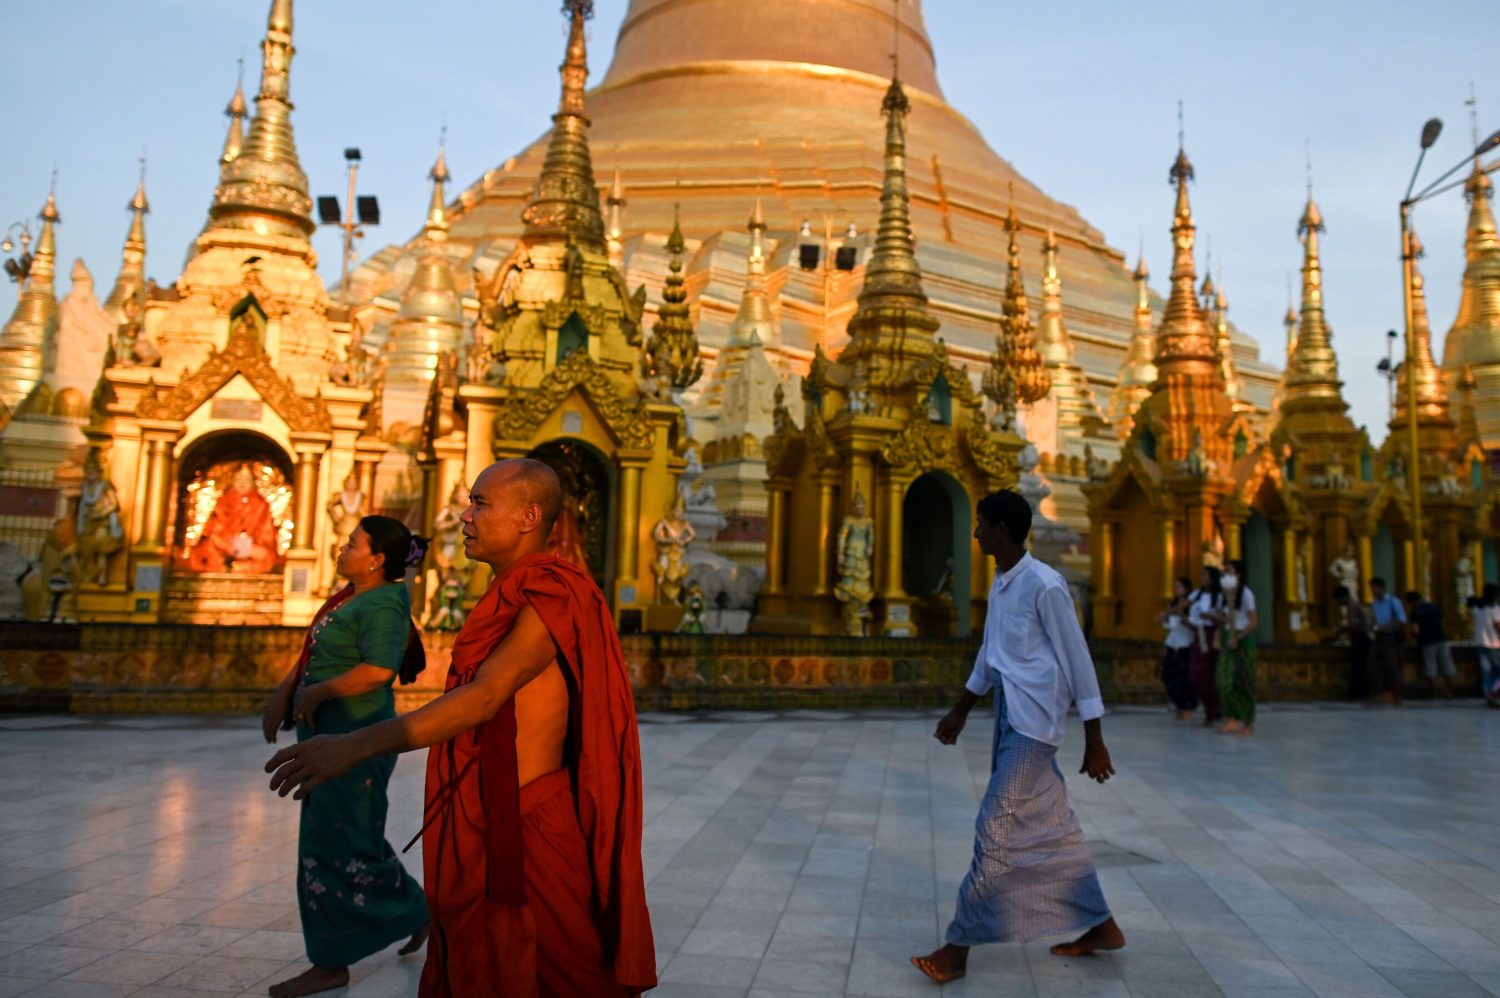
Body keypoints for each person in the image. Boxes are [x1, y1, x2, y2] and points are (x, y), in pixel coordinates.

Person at [266, 458, 655, 997]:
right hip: (486, 815)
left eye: (480, 503)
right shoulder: (509, 589)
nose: (465, 516)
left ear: (528, 517)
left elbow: (485, 696)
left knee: (559, 973)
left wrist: (353, 746)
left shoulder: (554, 590)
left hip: (528, 823)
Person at [911, 490, 1123, 985]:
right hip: (1010, 714)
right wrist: (961, 710)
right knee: (1054, 826)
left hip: (1035, 726)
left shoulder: (1045, 585)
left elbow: (1078, 660)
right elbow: (992, 655)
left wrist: (1094, 738)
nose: (976, 533)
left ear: (1002, 530)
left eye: (982, 524)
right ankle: (1101, 925)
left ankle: (958, 948)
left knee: (996, 827)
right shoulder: (1003, 582)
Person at [260, 516, 431, 998]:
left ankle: (330, 962)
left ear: (376, 559)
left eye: (353, 543)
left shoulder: (385, 603)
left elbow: (378, 670)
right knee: (348, 836)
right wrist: (287, 692)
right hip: (329, 733)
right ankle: (416, 911)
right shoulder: (350, 598)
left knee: (333, 841)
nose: (342, 546)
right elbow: (317, 654)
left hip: (356, 737)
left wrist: (317, 694)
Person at [186, 464, 279, 574]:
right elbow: (215, 531)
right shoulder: (223, 502)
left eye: (246, 480)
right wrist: (231, 545)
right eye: (239, 479)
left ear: (253, 482)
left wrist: (247, 547)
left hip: (250, 549)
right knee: (206, 549)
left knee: (265, 555)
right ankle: (226, 567)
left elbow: (267, 536)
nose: (242, 483)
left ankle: (237, 567)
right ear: (232, 481)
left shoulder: (261, 505)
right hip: (225, 547)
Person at [1216, 560, 1258, 735]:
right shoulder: (1223, 594)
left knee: (1244, 681)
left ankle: (1248, 721)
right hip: (1228, 636)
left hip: (1243, 638)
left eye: (1230, 572)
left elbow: (1253, 621)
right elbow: (1222, 617)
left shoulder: (1246, 594)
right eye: (1225, 572)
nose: (1226, 575)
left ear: (1239, 576)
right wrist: (1222, 620)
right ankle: (1231, 717)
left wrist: (1238, 637)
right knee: (1224, 680)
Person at [1187, 566, 1224, 726]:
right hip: (1199, 633)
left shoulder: (1220, 597)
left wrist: (1210, 616)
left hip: (1211, 634)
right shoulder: (1197, 594)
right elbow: (1185, 605)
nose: (1201, 578)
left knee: (1207, 674)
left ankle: (1213, 711)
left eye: (1204, 575)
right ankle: (1210, 708)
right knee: (1195, 672)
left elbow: (1223, 619)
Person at [1156, 578, 1197, 719]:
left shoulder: (1192, 606)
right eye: (1175, 587)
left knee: (1183, 676)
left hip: (1186, 643)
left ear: (1186, 589)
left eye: (1179, 587)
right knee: (1167, 674)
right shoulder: (1172, 606)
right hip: (1172, 643)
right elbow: (1169, 627)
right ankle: (1179, 703)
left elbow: (1195, 626)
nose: (1176, 590)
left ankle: (1187, 706)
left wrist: (1184, 618)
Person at [1404, 590, 1455, 697]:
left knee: (1430, 667)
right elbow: (1442, 622)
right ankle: (1450, 692)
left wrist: (1411, 636)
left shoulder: (1416, 611)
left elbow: (1416, 630)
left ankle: (1434, 692)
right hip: (1442, 639)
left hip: (1428, 641)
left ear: (1411, 602)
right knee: (1447, 666)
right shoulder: (1434, 607)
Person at [1368, 576, 1406, 704]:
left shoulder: (1393, 601)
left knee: (1392, 665)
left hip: (1390, 636)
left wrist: (1385, 626)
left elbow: (1401, 619)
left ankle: (1397, 693)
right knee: (1373, 664)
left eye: (1374, 588)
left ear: (1381, 588)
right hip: (1378, 636)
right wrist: (1372, 626)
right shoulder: (1375, 603)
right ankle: (1379, 692)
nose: (1373, 591)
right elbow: (1375, 619)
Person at [1332, 585, 1373, 701]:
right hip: (1361, 638)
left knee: (1358, 667)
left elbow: (1352, 625)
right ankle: (1361, 692)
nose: (1339, 603)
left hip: (1360, 638)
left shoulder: (1351, 605)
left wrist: (1339, 630)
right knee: (1360, 666)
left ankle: (1358, 693)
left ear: (1342, 597)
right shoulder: (1355, 603)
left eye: (1338, 600)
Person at [1473, 583, 1500, 708]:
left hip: (1481, 642)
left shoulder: (1477, 608)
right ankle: (1494, 693)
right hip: (1494, 643)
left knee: (1487, 672)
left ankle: (1488, 694)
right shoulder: (1495, 609)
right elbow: (1498, 626)